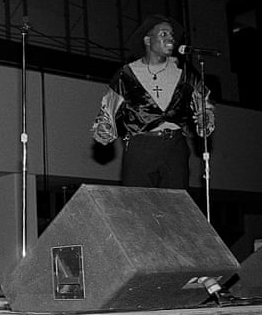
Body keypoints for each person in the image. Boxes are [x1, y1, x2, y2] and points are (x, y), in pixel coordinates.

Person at [91, 14, 214, 189]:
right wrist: (104, 129)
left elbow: (204, 104)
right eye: (164, 34)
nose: (171, 38)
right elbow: (107, 113)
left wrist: (205, 118)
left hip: (175, 146)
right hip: (141, 146)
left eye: (172, 34)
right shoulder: (126, 74)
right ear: (148, 40)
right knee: (138, 204)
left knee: (175, 205)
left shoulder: (184, 72)